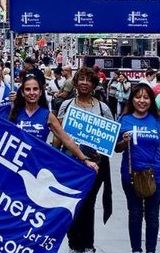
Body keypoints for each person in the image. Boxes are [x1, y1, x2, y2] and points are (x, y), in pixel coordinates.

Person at [56, 68, 113, 253]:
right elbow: (59, 136)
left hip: (95, 165)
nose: (84, 83)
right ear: (76, 82)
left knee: (88, 203)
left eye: (89, 80)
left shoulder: (103, 109)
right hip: (71, 163)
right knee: (72, 203)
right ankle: (74, 243)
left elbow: (111, 137)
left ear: (94, 84)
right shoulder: (66, 105)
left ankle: (88, 244)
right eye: (81, 79)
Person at [115, 83, 160, 253]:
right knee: (135, 214)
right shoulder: (124, 120)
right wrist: (124, 141)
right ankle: (136, 249)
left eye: (146, 97)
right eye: (138, 97)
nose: (142, 101)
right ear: (131, 99)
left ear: (151, 100)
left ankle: (151, 250)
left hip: (157, 176)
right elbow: (116, 148)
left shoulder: (159, 121)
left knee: (152, 216)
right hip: (131, 176)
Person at [10, 73, 99, 176]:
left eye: (35, 89)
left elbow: (67, 140)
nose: (32, 93)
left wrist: (85, 159)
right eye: (28, 89)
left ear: (40, 92)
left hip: (38, 164)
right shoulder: (14, 113)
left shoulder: (48, 115)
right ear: (22, 92)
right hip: (16, 163)